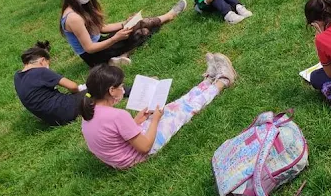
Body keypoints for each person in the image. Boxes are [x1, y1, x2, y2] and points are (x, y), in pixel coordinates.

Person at [79, 53, 236, 169]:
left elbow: (115, 135)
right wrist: (155, 120)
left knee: (173, 107)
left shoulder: (89, 112)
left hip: (122, 157)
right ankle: (222, 81)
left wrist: (136, 122)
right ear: (111, 91)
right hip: (137, 156)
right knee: (182, 111)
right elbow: (145, 146)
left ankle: (208, 80)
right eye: (121, 86)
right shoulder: (118, 116)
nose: (123, 89)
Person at [60, 0, 187, 67]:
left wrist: (124, 23)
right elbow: (89, 48)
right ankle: (169, 15)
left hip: (101, 42)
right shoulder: (73, 18)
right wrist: (115, 39)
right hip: (94, 55)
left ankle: (119, 57)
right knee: (143, 31)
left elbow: (102, 28)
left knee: (141, 26)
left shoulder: (81, 6)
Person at [14, 41, 84, 126]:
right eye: (48, 64)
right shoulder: (41, 71)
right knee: (94, 89)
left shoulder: (17, 77)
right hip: (67, 111)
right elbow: (73, 86)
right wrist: (77, 93)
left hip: (51, 120)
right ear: (42, 61)